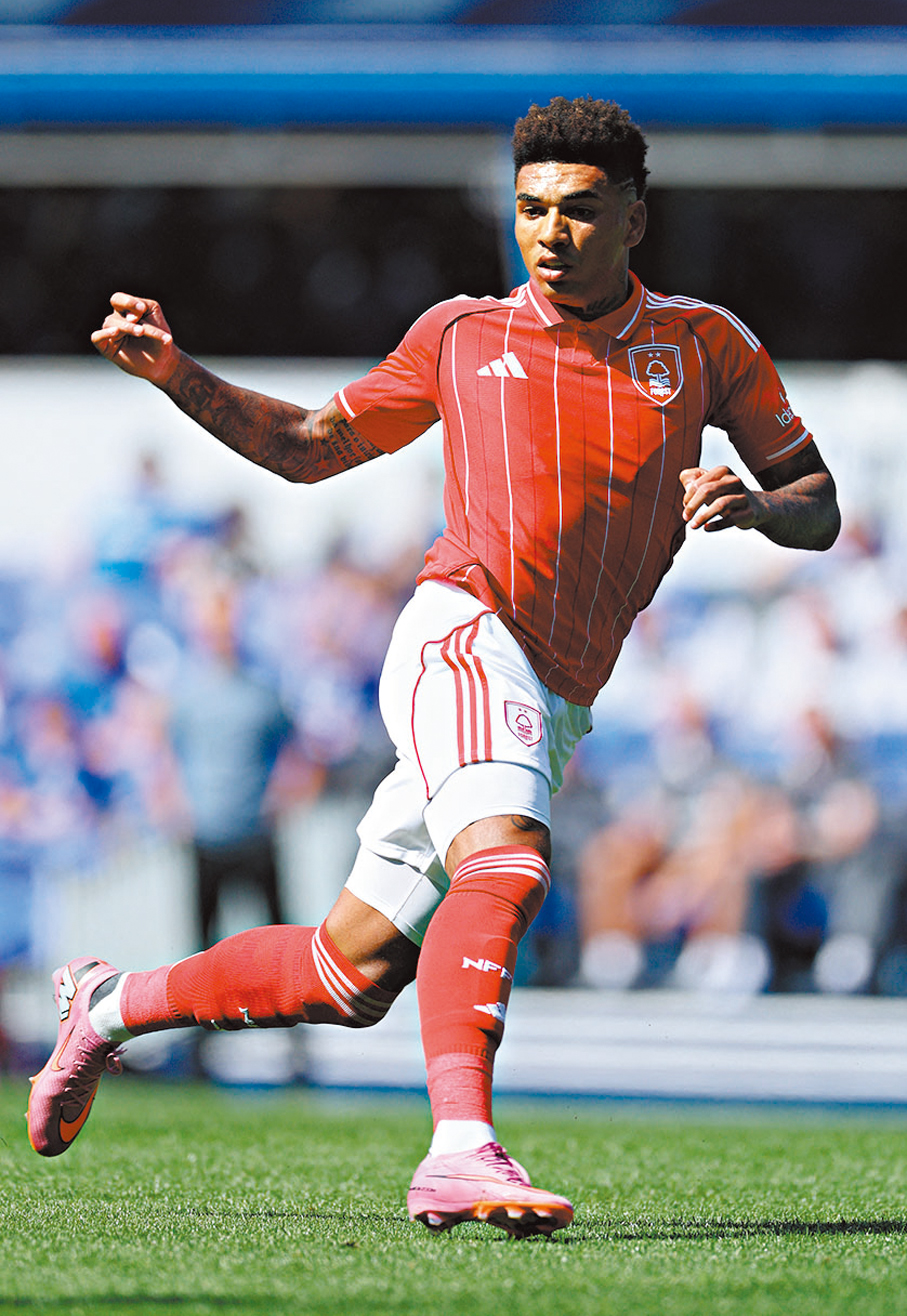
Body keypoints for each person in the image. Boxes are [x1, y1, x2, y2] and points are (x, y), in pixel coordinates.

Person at [27, 96, 840, 1237]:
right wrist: (179, 374)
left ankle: (108, 1004)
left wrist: (757, 506)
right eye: (530, 209)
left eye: (578, 209)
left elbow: (818, 504)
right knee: (505, 860)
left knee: (348, 975)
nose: (549, 233)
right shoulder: (462, 334)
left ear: (634, 217)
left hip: (557, 688)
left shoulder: (705, 345)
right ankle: (460, 1150)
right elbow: (309, 448)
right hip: (464, 629)